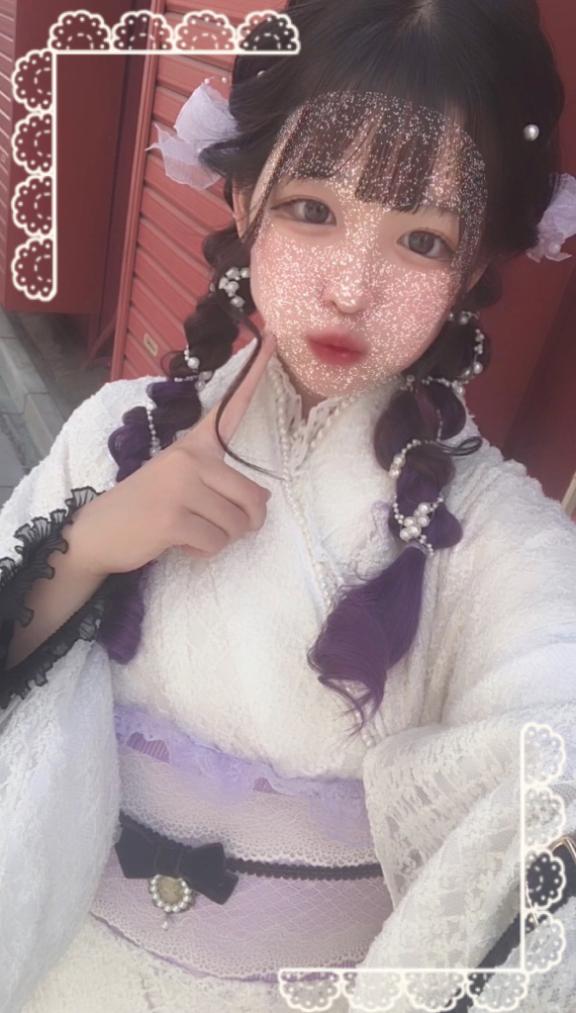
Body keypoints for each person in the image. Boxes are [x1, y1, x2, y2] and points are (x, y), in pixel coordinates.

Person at [1, 0, 576, 1010]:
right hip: (67, 959)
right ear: (241, 193)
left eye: (423, 239)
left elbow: (553, 727)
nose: (352, 287)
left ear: (476, 267)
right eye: (313, 209)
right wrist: (88, 542)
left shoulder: (493, 536)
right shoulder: (116, 435)